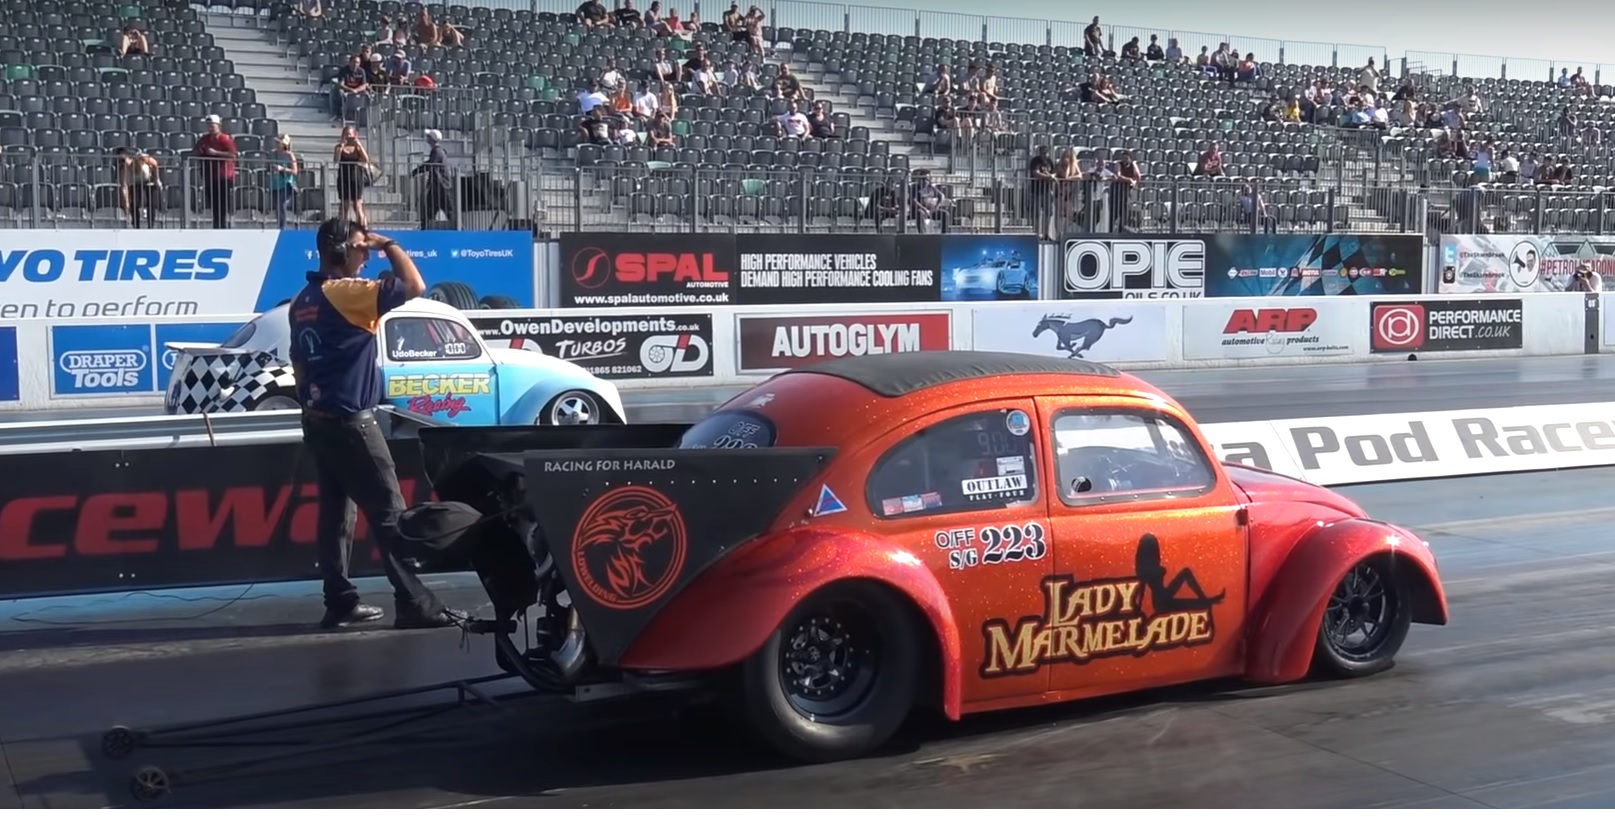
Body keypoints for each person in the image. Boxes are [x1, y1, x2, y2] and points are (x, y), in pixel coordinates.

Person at [289, 218, 465, 630]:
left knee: (335, 516)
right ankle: (414, 603)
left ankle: (340, 601)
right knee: (390, 515)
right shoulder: (344, 292)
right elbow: (414, 286)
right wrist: (390, 244)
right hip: (352, 424)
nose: (366, 257)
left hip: (318, 420)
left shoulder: (302, 299)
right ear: (340, 251)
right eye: (360, 249)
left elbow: (298, 362)